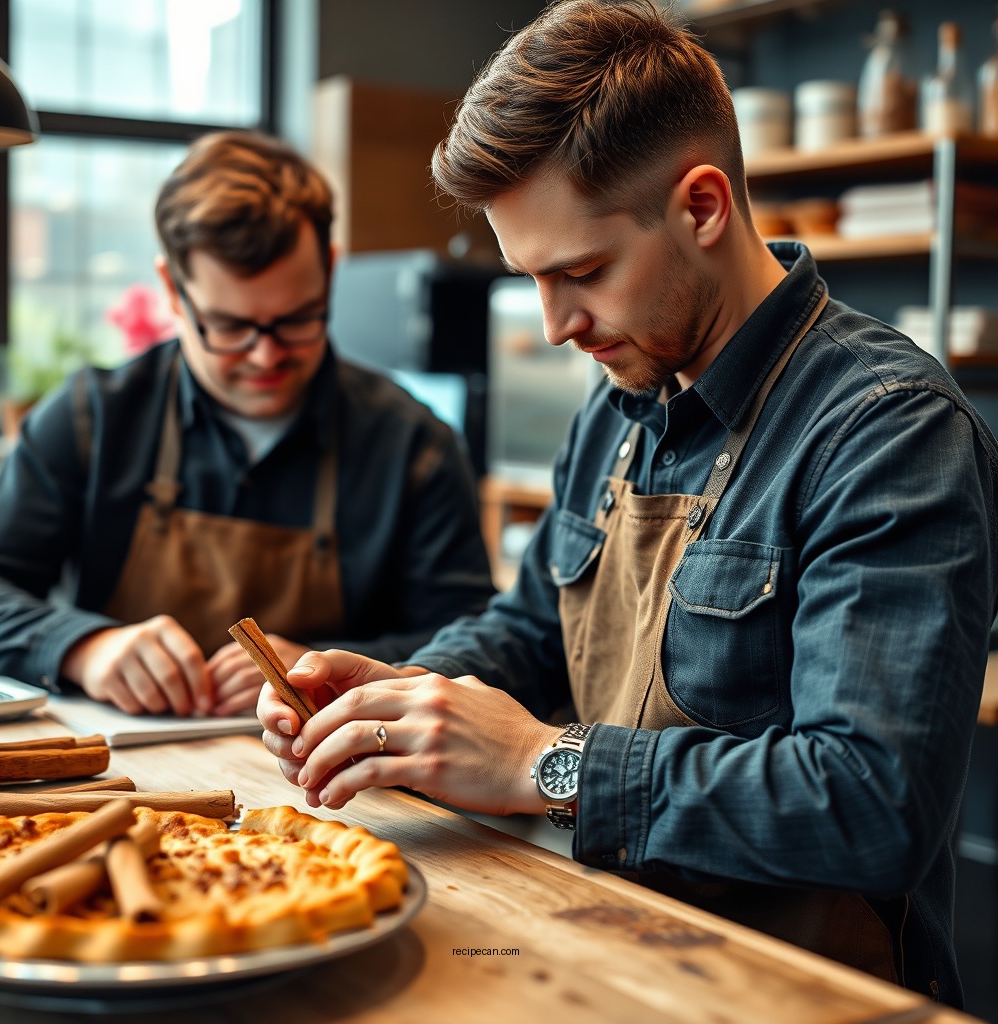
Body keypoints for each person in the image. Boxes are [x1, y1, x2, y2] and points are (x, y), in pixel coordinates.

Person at [255, 1, 998, 1008]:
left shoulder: (887, 428)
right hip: (609, 939)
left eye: (581, 273)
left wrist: (546, 762)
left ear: (700, 207)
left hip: (797, 987)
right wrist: (394, 702)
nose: (557, 325)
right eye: (533, 279)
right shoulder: (619, 398)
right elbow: (529, 632)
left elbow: (871, 800)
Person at [0, 130, 494, 718]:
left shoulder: (413, 445)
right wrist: (81, 646)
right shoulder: (93, 417)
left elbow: (475, 641)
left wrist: (333, 669)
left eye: (297, 320)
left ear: (328, 270)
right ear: (173, 288)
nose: (265, 356)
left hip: (335, 784)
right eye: (228, 327)